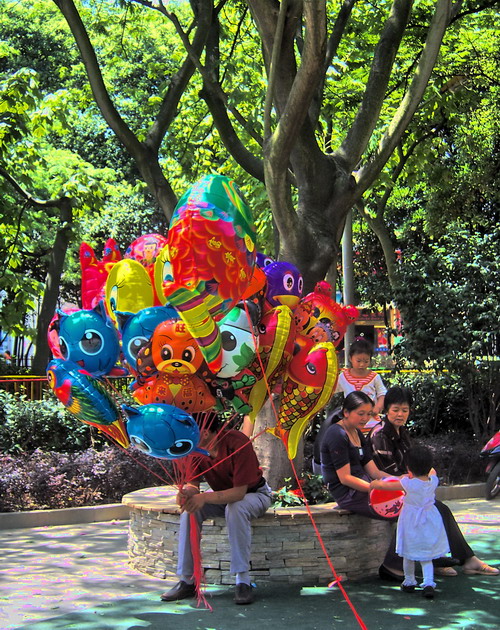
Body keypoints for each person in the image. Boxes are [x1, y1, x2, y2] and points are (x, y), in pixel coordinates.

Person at [369, 386, 499, 577]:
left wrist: (425, 474)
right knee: (435, 509)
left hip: (407, 488)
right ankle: (453, 560)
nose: (400, 414)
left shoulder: (402, 433)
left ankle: (445, 560)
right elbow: (389, 474)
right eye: (395, 410)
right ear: (386, 409)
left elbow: (414, 464)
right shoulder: (380, 435)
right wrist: (419, 480)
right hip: (389, 494)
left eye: (405, 410)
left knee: (436, 508)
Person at [160, 413, 273, 605]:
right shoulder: (194, 448)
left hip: (254, 494)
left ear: (204, 432)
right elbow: (193, 485)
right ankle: (187, 580)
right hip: (223, 496)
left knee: (236, 508)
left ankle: (243, 580)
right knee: (190, 510)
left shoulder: (237, 442)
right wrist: (187, 493)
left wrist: (204, 497)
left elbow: (239, 493)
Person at [320, 391, 403, 576]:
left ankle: (438, 558)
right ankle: (392, 566)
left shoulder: (357, 432)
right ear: (346, 412)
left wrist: (401, 481)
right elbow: (345, 478)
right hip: (349, 494)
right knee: (406, 512)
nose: (365, 418)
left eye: (368, 414)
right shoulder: (336, 434)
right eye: (361, 413)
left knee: (429, 505)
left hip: (368, 488)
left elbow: (374, 472)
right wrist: (379, 489)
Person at [370, 445, 449, 599]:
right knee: (426, 554)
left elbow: (385, 486)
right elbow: (432, 471)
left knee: (408, 552)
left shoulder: (408, 483)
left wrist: (374, 484)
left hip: (411, 521)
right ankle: (428, 583)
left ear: (409, 468)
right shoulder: (433, 481)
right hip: (429, 520)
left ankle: (409, 581)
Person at [335, 337, 386, 433]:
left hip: (372, 423)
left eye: (366, 361)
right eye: (358, 361)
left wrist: (378, 407)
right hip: (351, 423)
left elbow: (382, 394)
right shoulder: (343, 377)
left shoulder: (374, 377)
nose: (362, 364)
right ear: (350, 358)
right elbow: (331, 391)